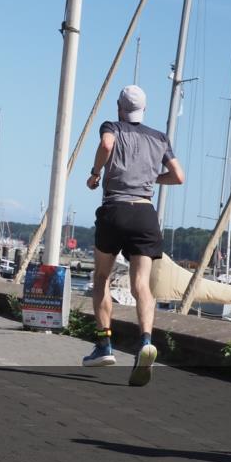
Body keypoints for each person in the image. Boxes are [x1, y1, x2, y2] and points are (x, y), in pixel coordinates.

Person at [82, 85, 184, 387]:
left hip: (115, 209)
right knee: (141, 284)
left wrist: (95, 172)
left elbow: (105, 144)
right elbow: (178, 176)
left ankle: (104, 345)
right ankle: (145, 342)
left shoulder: (112, 126)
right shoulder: (160, 138)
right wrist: (153, 179)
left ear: (119, 107)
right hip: (144, 214)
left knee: (101, 277)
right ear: (144, 109)